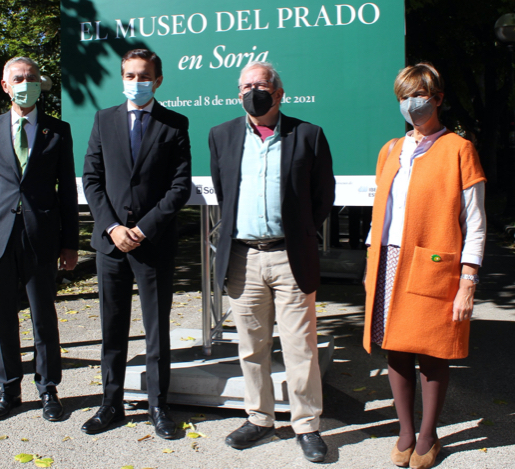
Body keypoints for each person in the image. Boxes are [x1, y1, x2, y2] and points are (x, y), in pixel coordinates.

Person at [209, 61, 335, 463]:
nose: (252, 92)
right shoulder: (221, 136)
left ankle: (306, 426)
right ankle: (259, 418)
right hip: (243, 257)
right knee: (251, 347)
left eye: (260, 85)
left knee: (300, 346)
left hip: (289, 255)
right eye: (245, 86)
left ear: (279, 93)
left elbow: (322, 197)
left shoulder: (308, 135)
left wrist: (297, 234)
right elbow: (223, 191)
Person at [363, 63, 486, 469]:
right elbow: (380, 211)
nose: (410, 103)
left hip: (434, 263)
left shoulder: (460, 149)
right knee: (395, 348)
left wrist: (468, 280)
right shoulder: (389, 150)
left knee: (432, 351)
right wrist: (369, 262)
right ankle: (405, 430)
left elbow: (476, 223)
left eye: (418, 95)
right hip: (389, 259)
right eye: (403, 96)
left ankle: (429, 435)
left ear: (438, 99)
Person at [81, 49, 191, 439]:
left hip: (153, 244)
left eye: (143, 75)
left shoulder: (175, 124)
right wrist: (112, 227)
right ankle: (110, 404)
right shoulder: (103, 119)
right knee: (112, 328)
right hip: (111, 244)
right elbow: (91, 179)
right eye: (128, 75)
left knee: (155, 330)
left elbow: (180, 188)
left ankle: (158, 406)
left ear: (158, 80)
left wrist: (142, 230)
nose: (135, 82)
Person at [0, 56, 79, 423]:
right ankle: (8, 389)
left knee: (44, 317)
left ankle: (48, 388)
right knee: (2, 318)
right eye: (18, 78)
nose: (25, 83)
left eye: (31, 78)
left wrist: (70, 242)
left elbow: (66, 193)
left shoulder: (57, 131)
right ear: (5, 85)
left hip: (42, 237)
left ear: (39, 84)